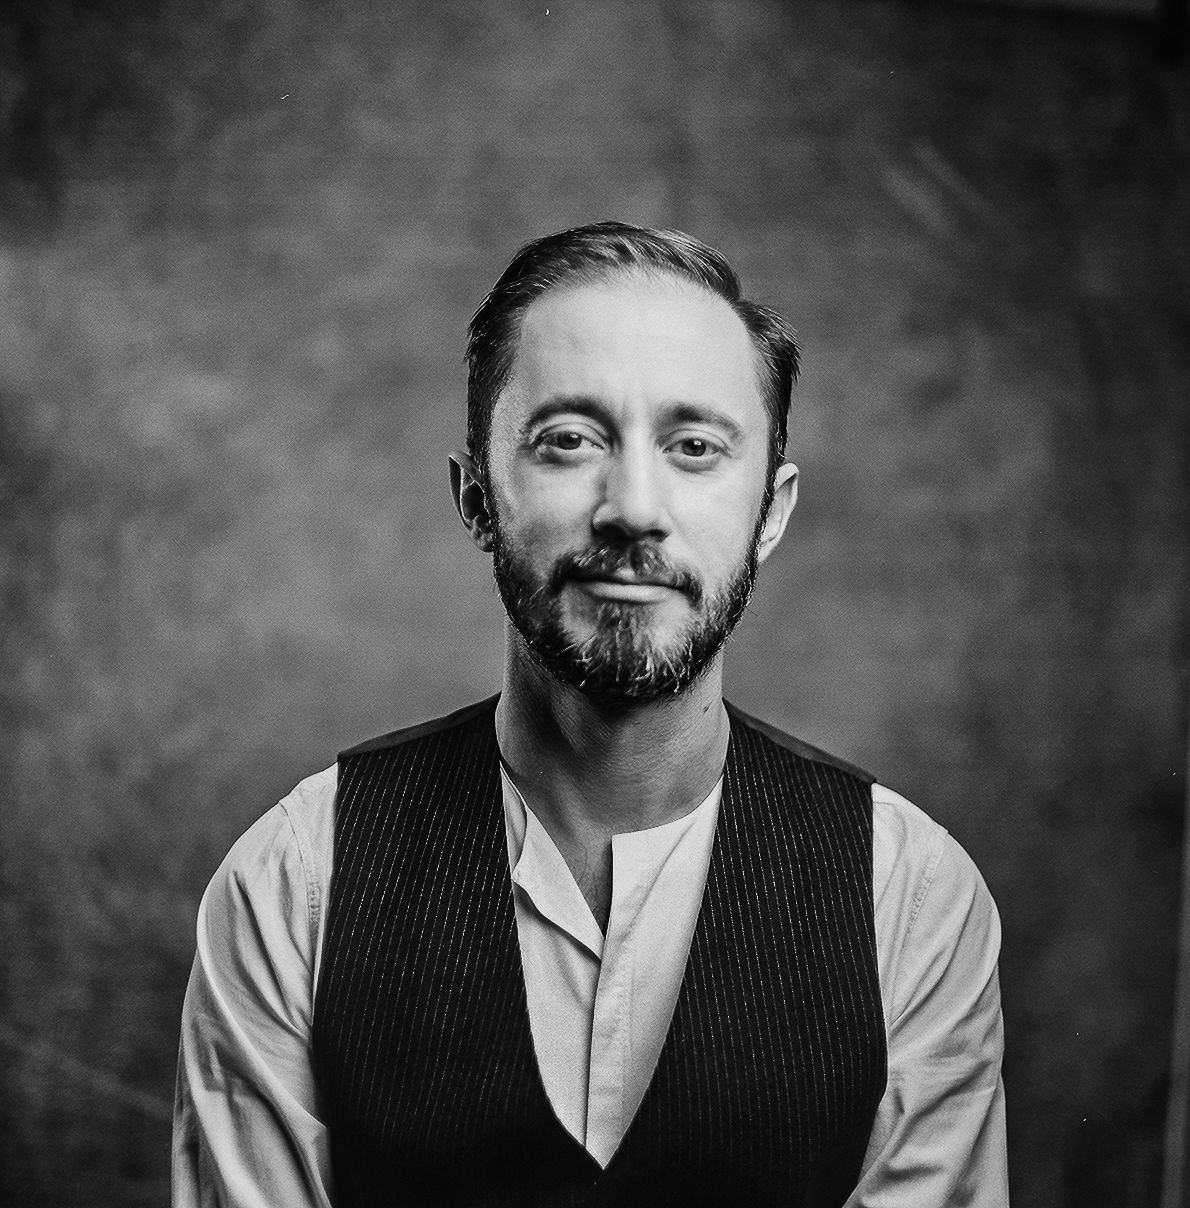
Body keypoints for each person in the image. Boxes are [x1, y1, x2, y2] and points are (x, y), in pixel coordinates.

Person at [172, 221, 1008, 1206]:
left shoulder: (907, 897)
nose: (633, 508)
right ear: (475, 496)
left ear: (771, 512)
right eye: (569, 440)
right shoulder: (295, 882)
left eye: (694, 446)